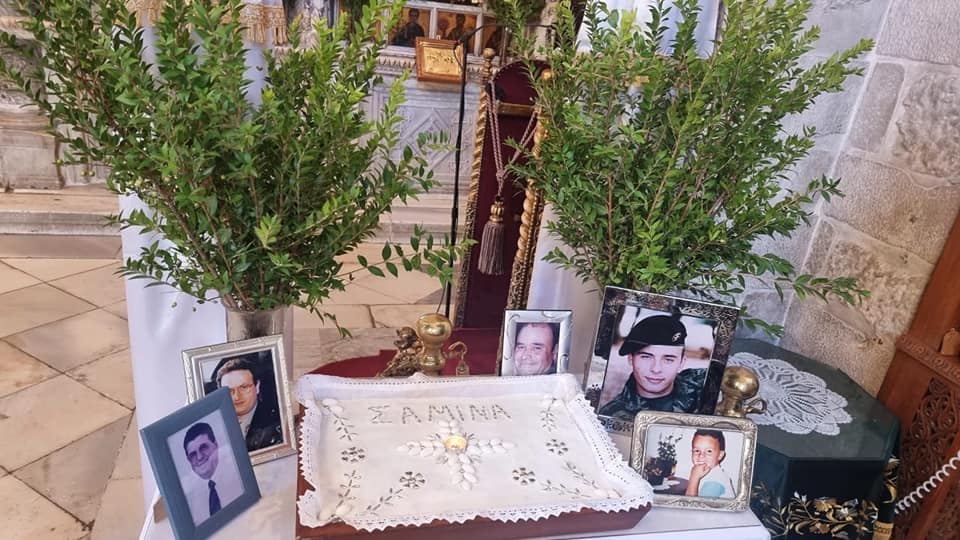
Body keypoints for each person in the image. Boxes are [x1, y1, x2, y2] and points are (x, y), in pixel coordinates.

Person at [598, 314, 706, 417]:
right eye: (646, 357)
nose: (656, 369)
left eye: (668, 359)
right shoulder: (611, 414)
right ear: (631, 359)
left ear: (681, 363)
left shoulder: (702, 382)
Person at [214, 356, 283, 452]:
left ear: (257, 387)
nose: (236, 397)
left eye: (244, 387)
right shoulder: (216, 428)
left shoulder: (276, 424)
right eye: (229, 391)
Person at [181, 422, 243, 524]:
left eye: (203, 447)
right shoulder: (190, 499)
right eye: (193, 454)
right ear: (189, 461)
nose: (199, 457)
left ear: (216, 445)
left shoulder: (239, 473)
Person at [684, 429, 736, 498]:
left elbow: (690, 503)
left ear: (720, 455)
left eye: (709, 451)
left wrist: (694, 478)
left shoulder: (715, 482)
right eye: (697, 450)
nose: (701, 455)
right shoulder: (702, 471)